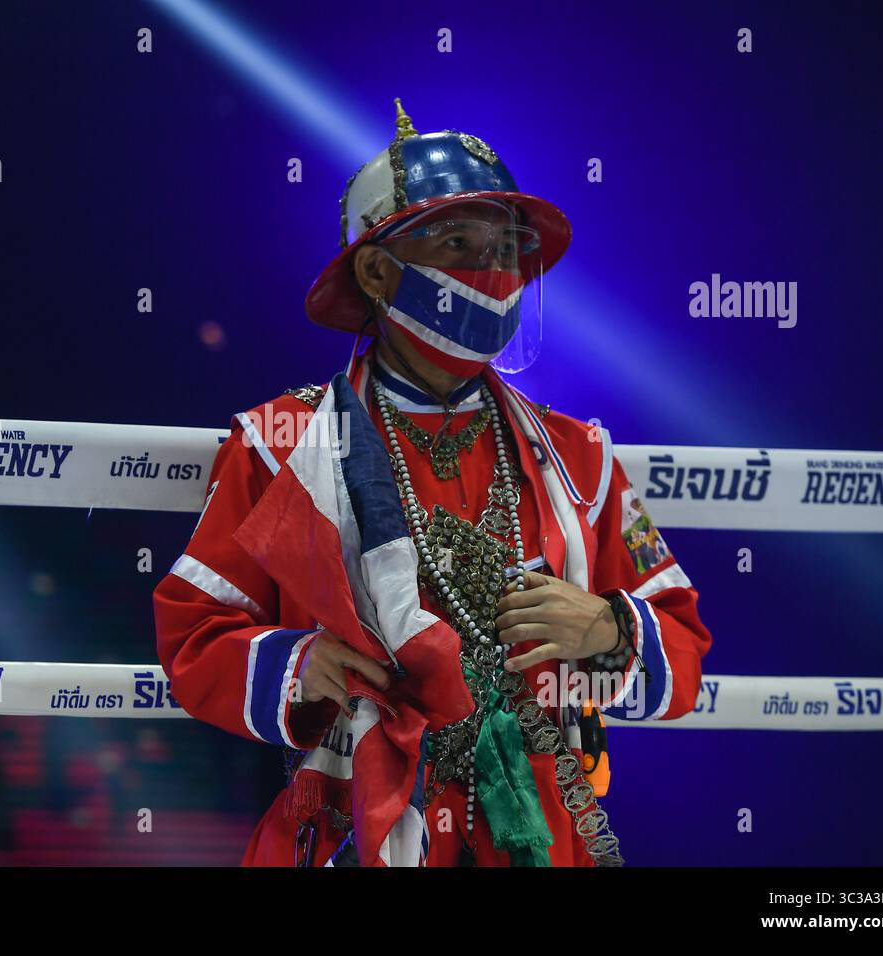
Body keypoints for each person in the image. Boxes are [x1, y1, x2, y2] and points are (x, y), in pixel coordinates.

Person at [152, 100, 712, 867]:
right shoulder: (284, 443)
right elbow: (194, 635)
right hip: (361, 828)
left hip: (543, 832)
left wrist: (611, 628)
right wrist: (296, 664)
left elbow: (682, 652)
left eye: (506, 249)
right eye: (459, 244)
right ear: (377, 271)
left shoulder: (578, 457)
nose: (494, 271)